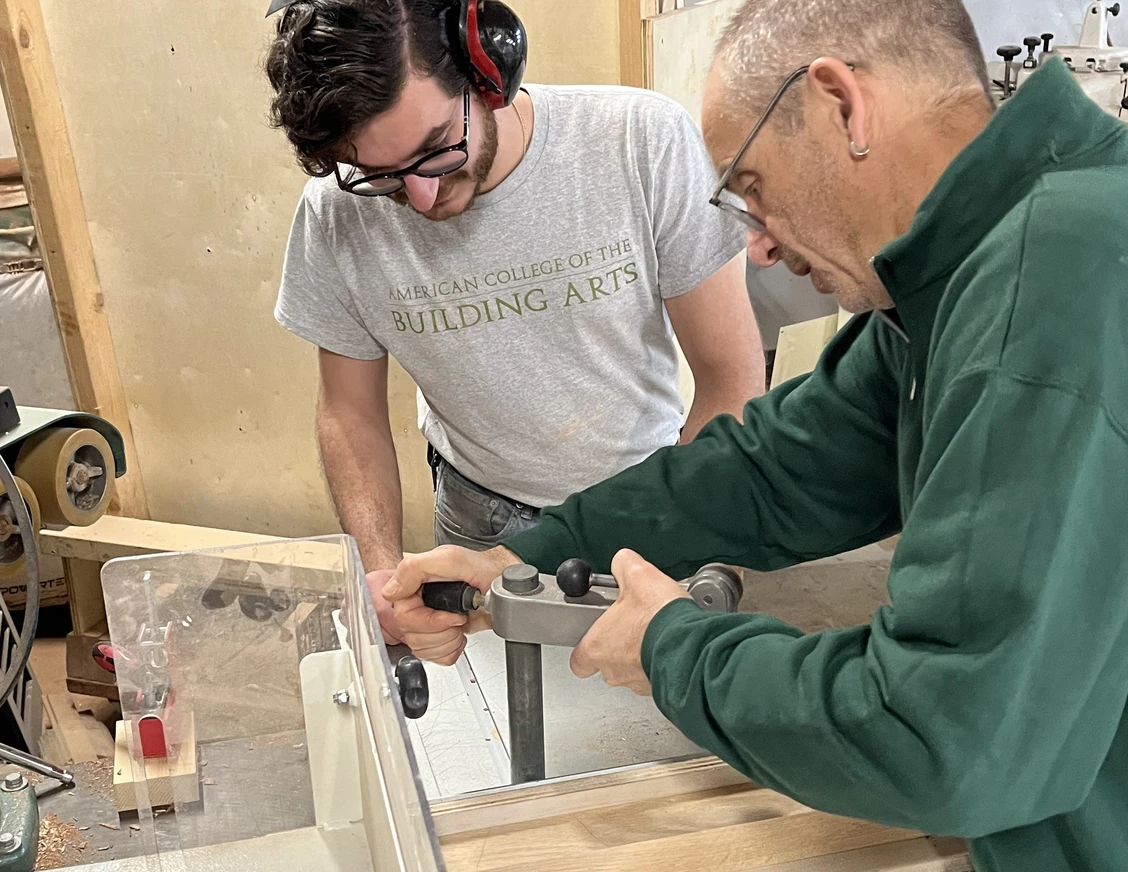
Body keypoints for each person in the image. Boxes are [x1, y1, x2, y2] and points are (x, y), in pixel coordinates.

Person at [383, 1, 1128, 869]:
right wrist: (530, 554)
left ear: (841, 105)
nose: (761, 250)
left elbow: (941, 736)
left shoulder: (1043, 294)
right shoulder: (961, 273)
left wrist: (671, 648)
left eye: (755, 189)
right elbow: (774, 469)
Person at [265, 0, 765, 643]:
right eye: (382, 176)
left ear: (488, 73)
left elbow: (732, 379)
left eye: (435, 150)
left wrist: (669, 531)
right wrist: (383, 578)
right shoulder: (334, 215)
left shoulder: (639, 142)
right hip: (480, 515)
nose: (420, 197)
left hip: (652, 493)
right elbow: (349, 414)